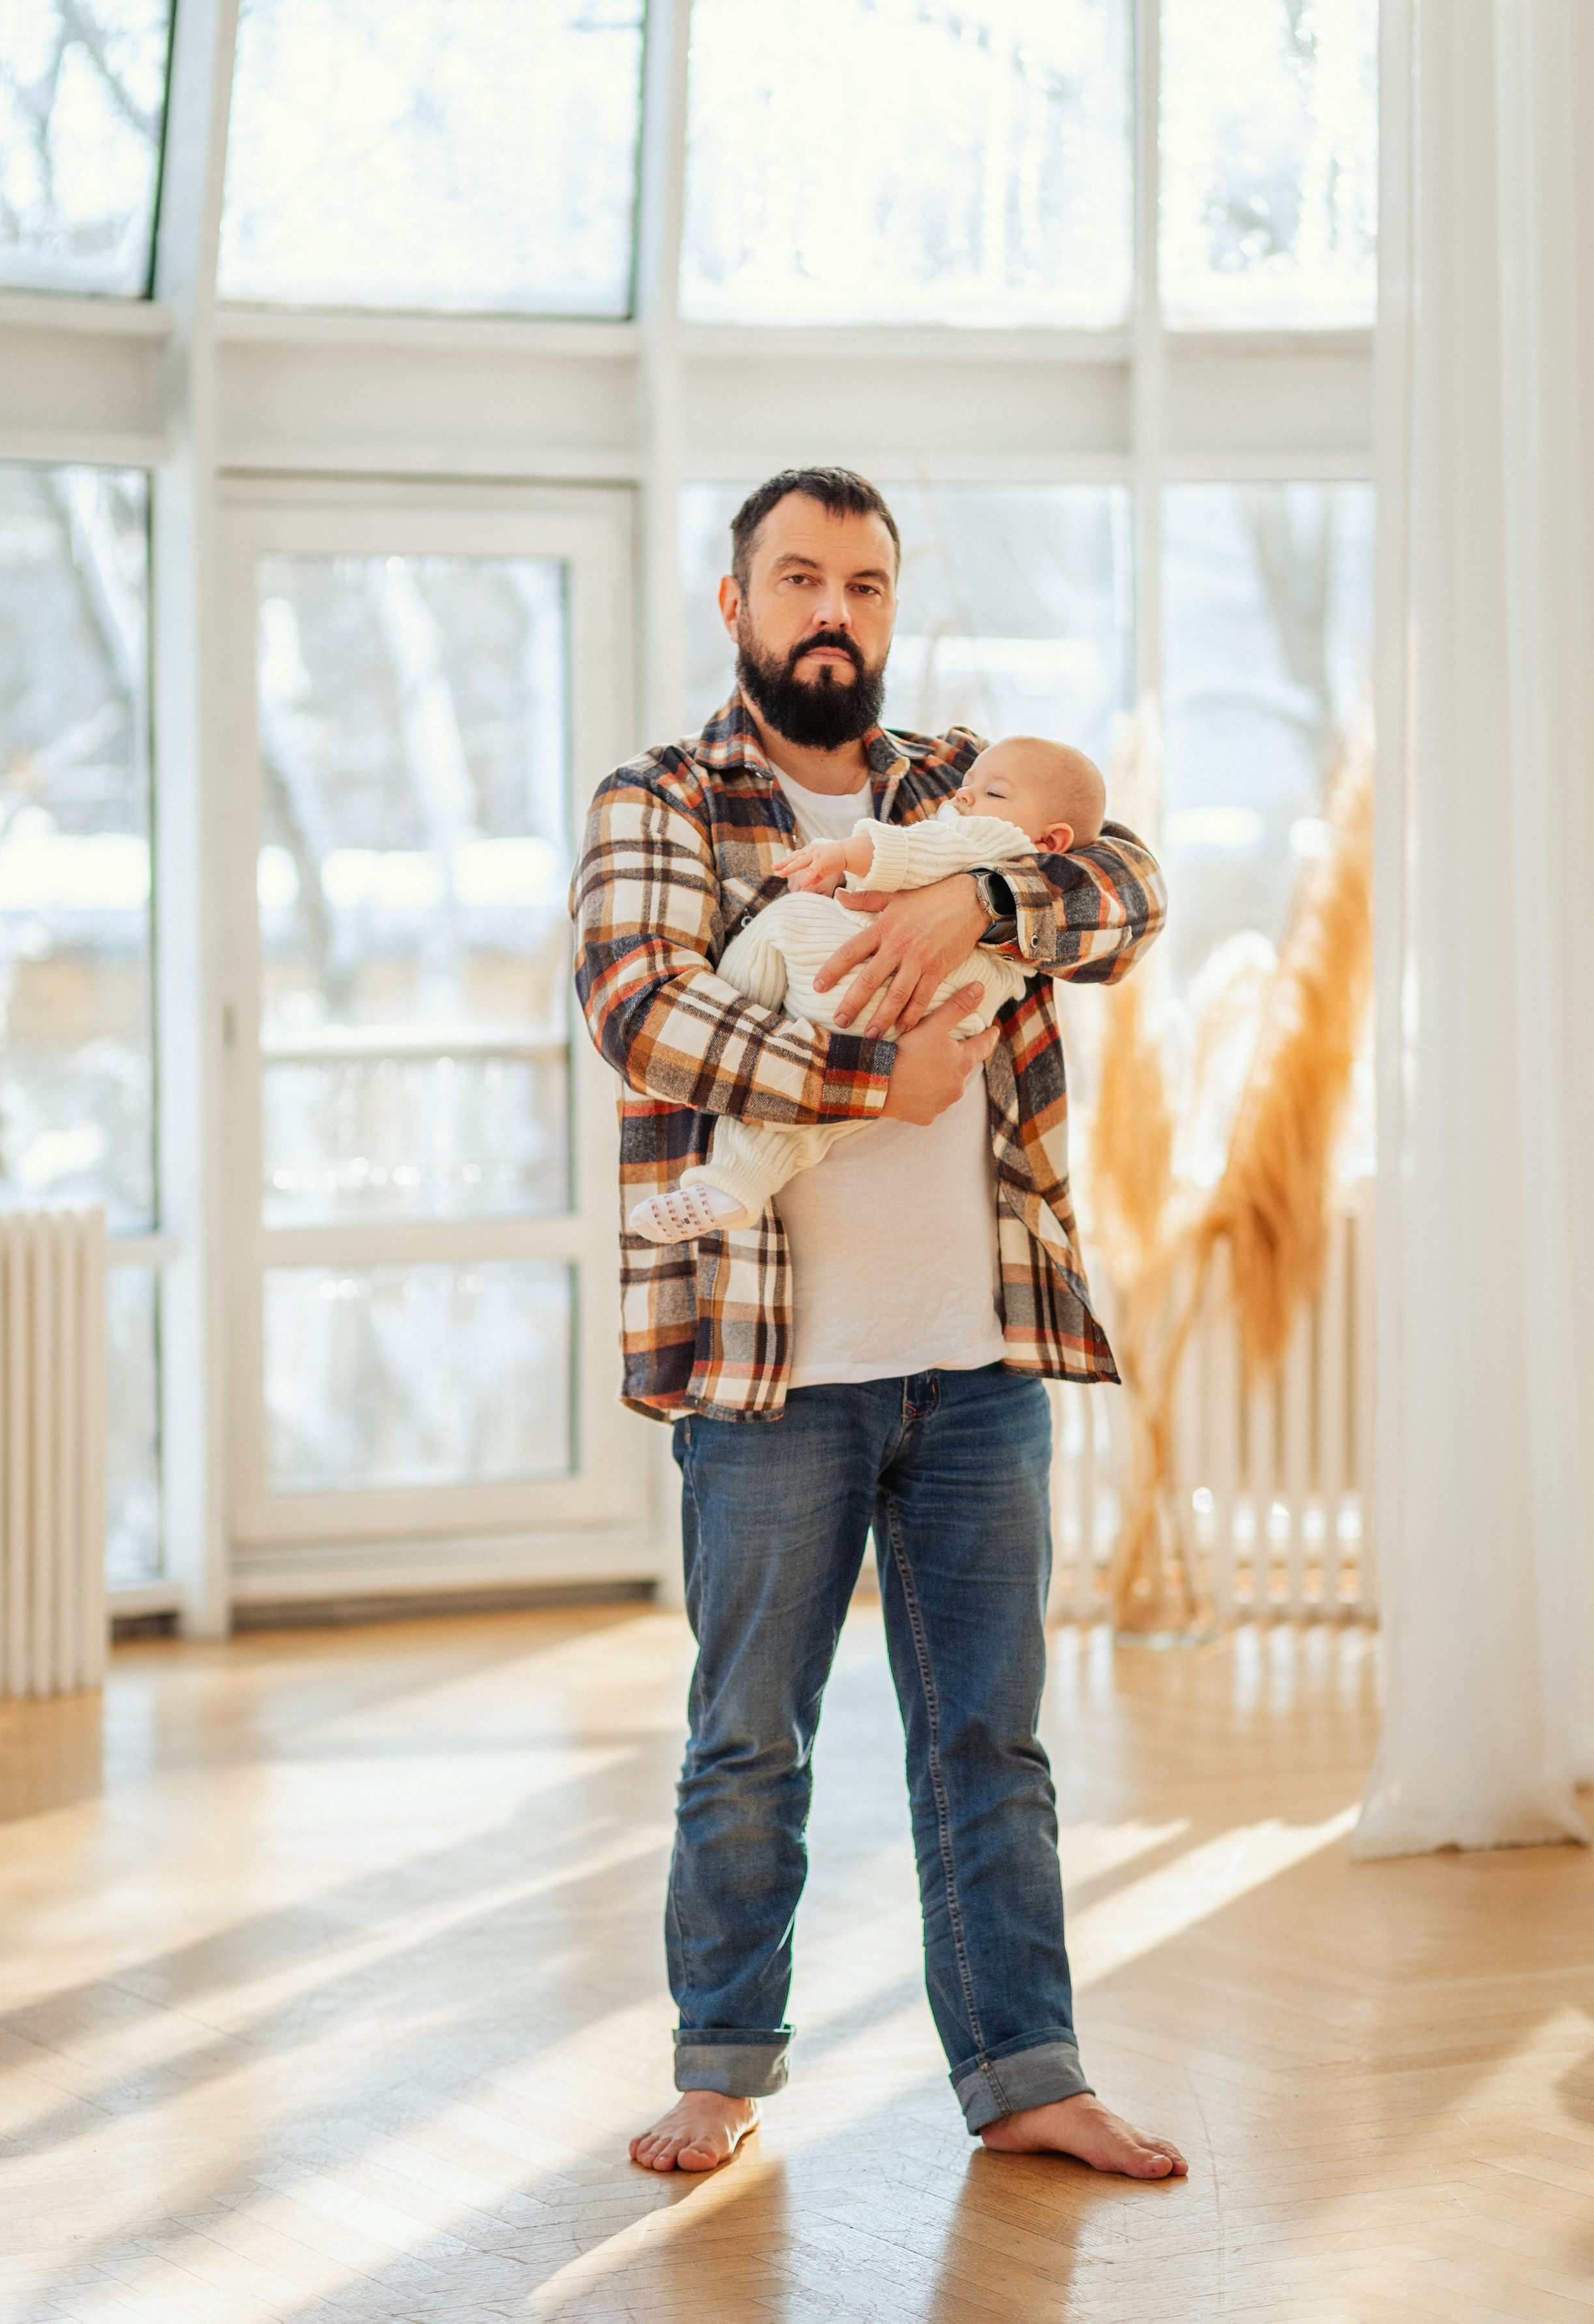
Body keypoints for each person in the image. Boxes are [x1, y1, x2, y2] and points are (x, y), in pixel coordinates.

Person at [571, 466, 1186, 2182]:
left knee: (991, 1734)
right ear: (738, 604)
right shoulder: (660, 797)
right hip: (771, 1369)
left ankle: (1026, 2071)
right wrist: (870, 1077)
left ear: (891, 610)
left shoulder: (961, 788)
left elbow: (1130, 893)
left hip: (978, 1359)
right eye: (797, 579)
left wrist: (970, 902)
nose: (830, 612)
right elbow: (641, 1008)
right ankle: (720, 2065)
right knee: (749, 1735)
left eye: (862, 584)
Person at [626, 735, 1106, 1242]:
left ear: (1051, 842)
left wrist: (841, 855)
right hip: (943, 1026)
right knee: (817, 1125)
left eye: (994, 792)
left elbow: (918, 851)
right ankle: (734, 1189)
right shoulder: (657, 790)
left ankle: (746, 1022)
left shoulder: (993, 837)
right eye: (968, 785)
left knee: (785, 922)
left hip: (876, 988)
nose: (965, 794)